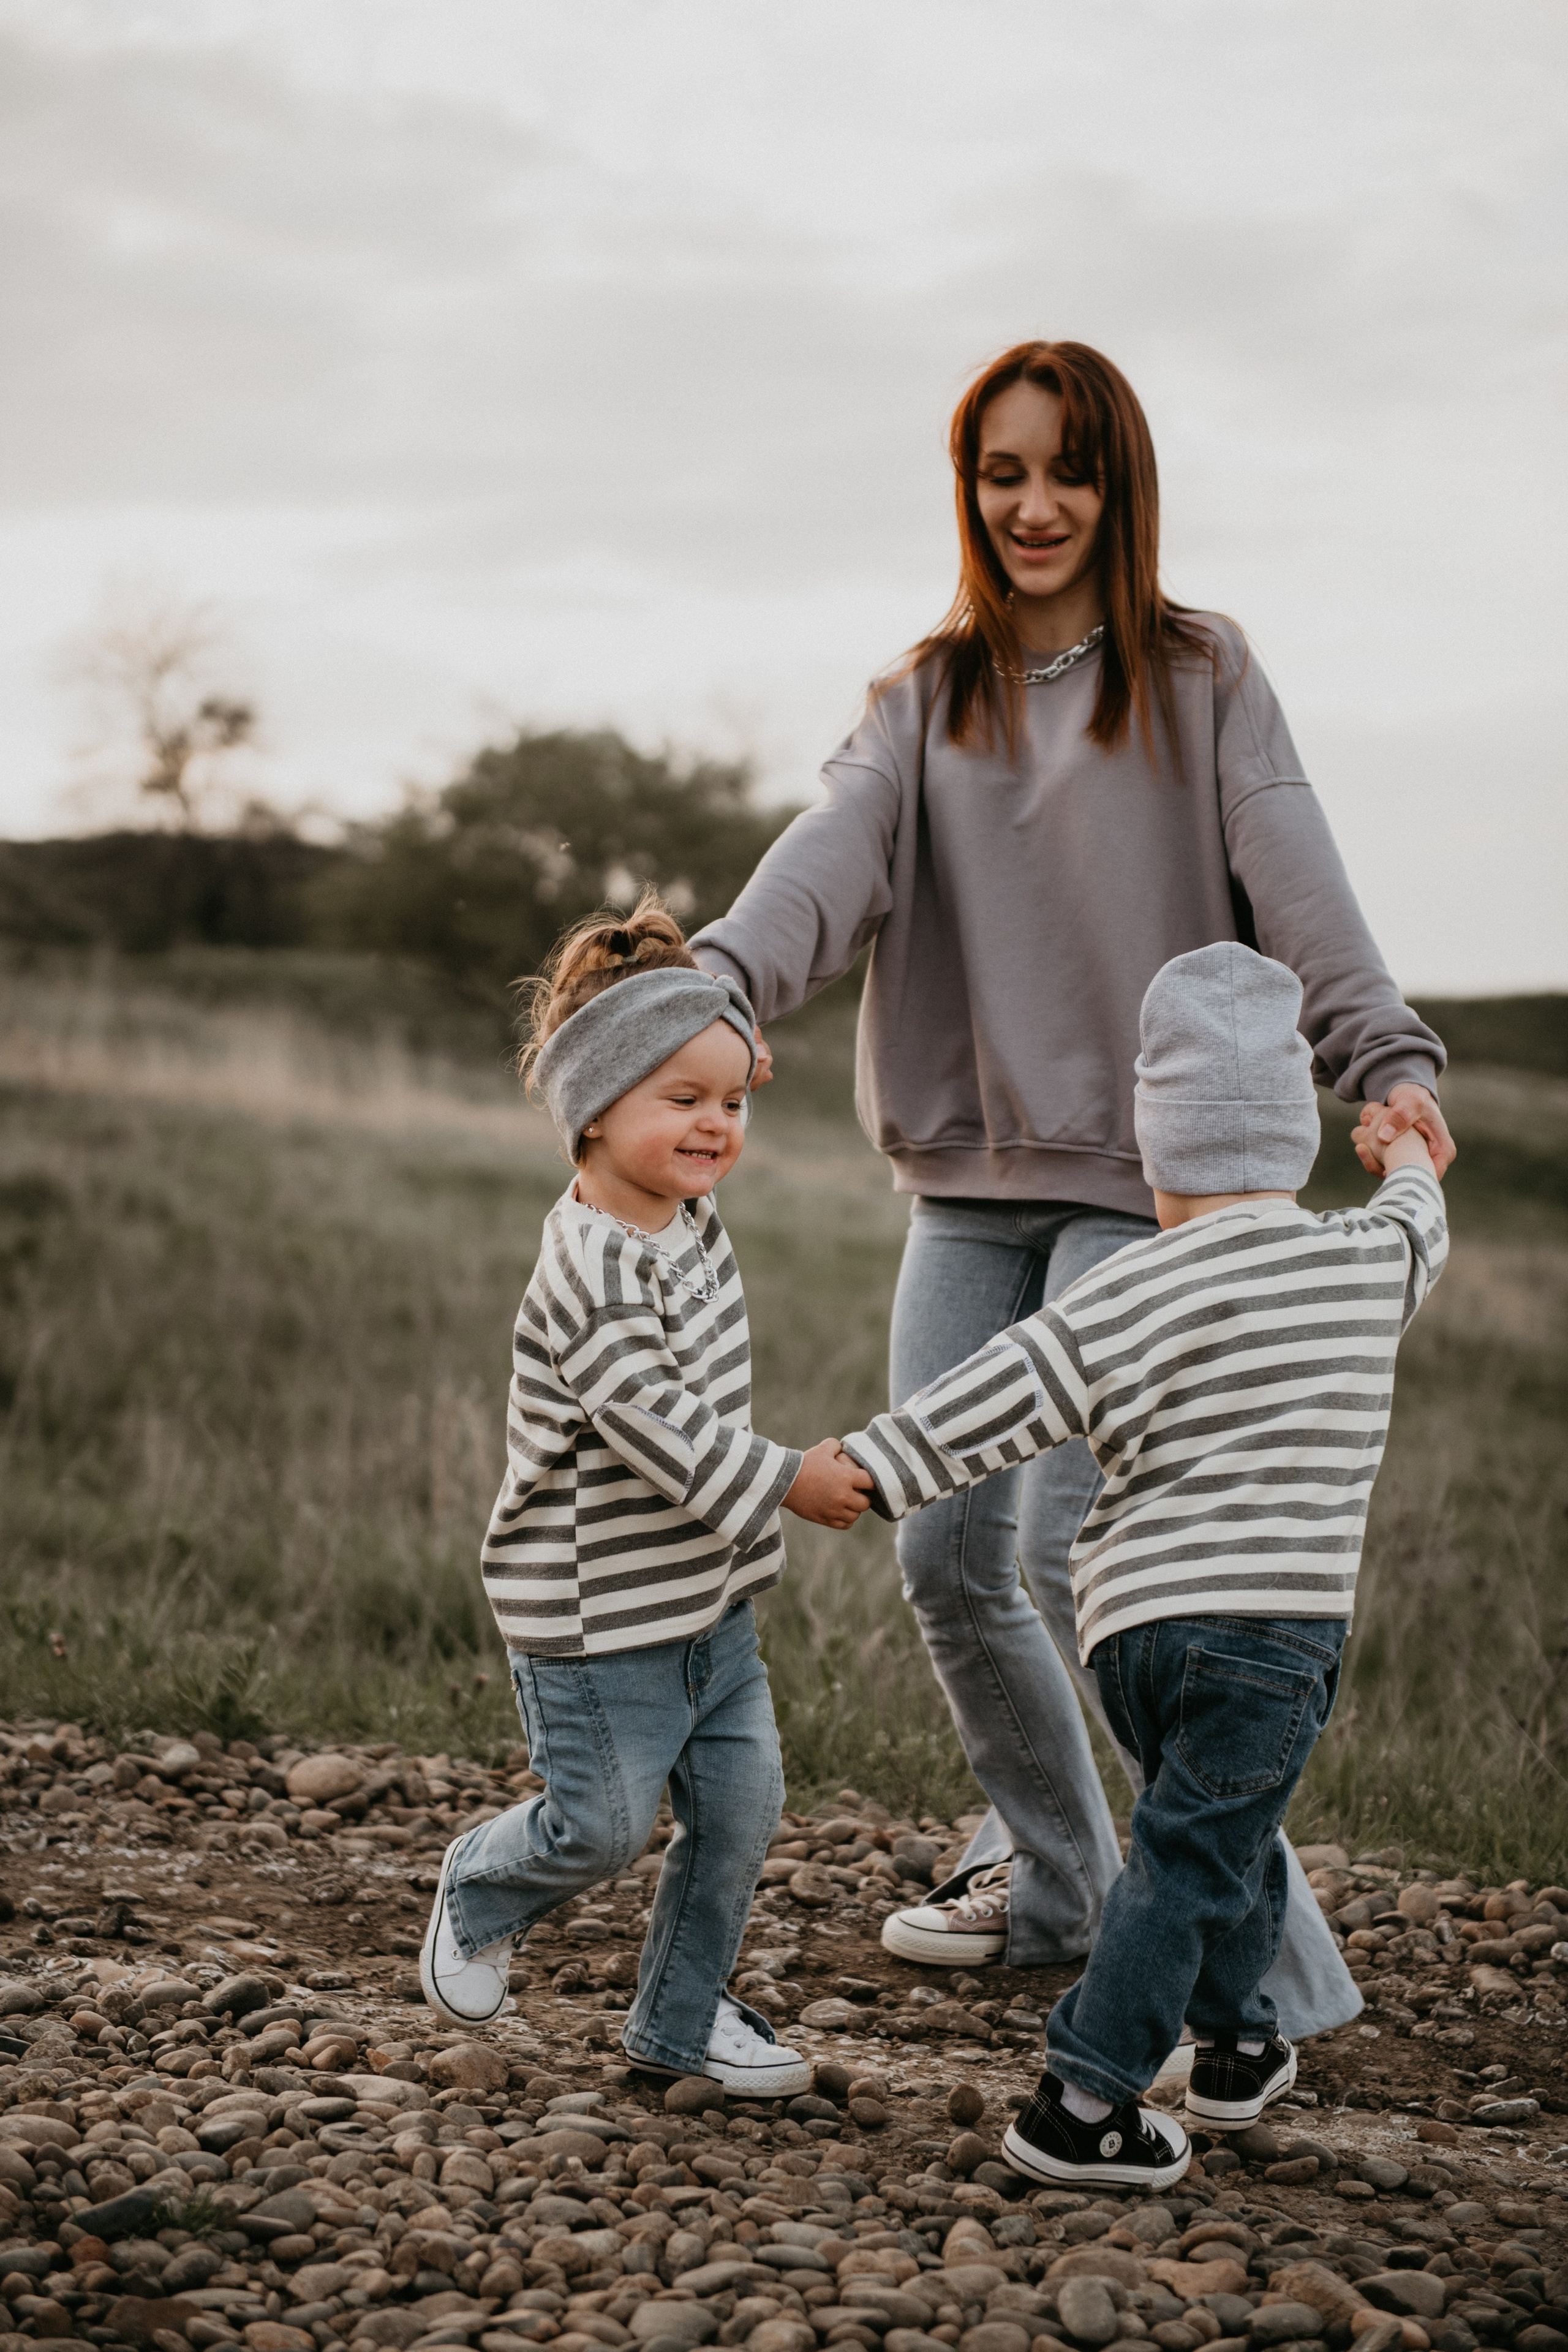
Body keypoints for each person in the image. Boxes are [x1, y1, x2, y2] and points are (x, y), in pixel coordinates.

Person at [692, 337, 1453, 2033]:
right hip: (965, 1181)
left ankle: (1269, 1979)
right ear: (968, 490)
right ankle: (1058, 1889)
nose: (1033, 506)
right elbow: (826, 856)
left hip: (1154, 1188)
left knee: (1072, 1563)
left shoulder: (1203, 677)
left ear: (1120, 484)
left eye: (1068, 470)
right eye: (1000, 473)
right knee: (949, 1554)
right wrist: (720, 984)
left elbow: (1297, 868)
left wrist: (1380, 1055)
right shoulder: (922, 698)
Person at [839, 941, 1447, 2186]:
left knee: (1212, 1834)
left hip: (1127, 1635)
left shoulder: (1124, 1291)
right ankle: (1082, 2101)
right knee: (1193, 1853)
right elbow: (1415, 1223)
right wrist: (1403, 1159)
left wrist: (863, 1469)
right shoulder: (1358, 1262)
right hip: (1271, 1639)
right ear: (1288, 1141)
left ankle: (1232, 2044)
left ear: (1155, 1155)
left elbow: (988, 1400)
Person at [418, 894, 872, 2095]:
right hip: (592, 1622)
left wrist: (718, 1053)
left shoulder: (675, 1199)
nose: (718, 1126)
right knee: (603, 1830)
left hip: (706, 1608)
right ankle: (478, 1889)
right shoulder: (591, 1270)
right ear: (592, 1109)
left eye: (732, 1103)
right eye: (686, 1103)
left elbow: (695, 1078)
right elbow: (661, 1430)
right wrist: (790, 1479)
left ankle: (679, 2020)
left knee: (738, 1814)